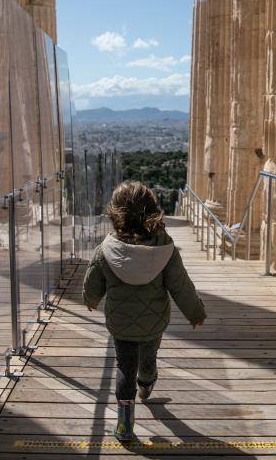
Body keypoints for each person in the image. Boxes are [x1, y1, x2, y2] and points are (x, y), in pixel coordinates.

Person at [82, 181, 206, 442]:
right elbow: (181, 286)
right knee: (148, 357)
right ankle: (147, 383)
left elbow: (92, 285)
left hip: (121, 323)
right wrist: (195, 312)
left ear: (115, 213)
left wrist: (90, 300)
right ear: (152, 210)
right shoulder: (166, 249)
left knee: (124, 366)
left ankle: (124, 424)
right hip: (154, 322)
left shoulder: (105, 250)